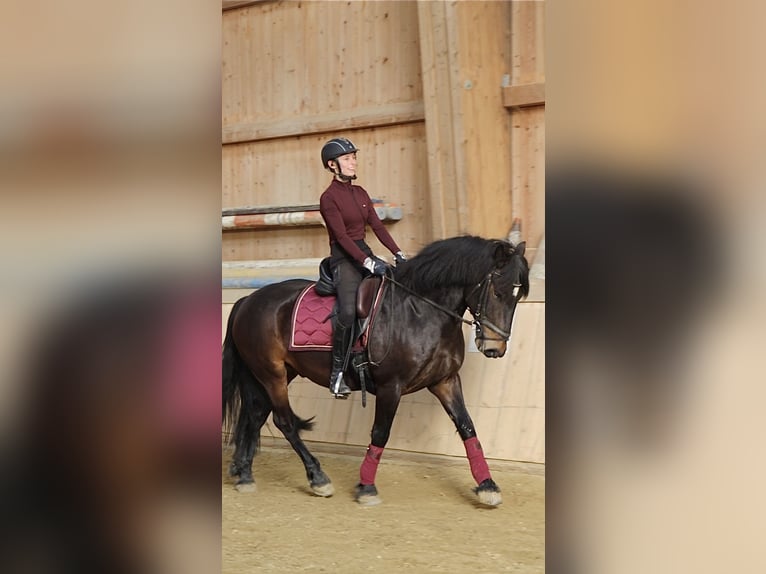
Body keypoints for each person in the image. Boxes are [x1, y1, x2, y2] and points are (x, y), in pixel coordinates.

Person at [319, 137, 406, 398]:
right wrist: (366, 262)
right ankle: (337, 375)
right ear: (332, 165)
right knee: (347, 311)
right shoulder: (328, 198)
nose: (353, 161)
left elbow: (377, 227)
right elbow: (342, 237)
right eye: (347, 158)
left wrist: (397, 252)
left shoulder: (361, 193)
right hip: (344, 259)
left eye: (354, 157)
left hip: (364, 252)